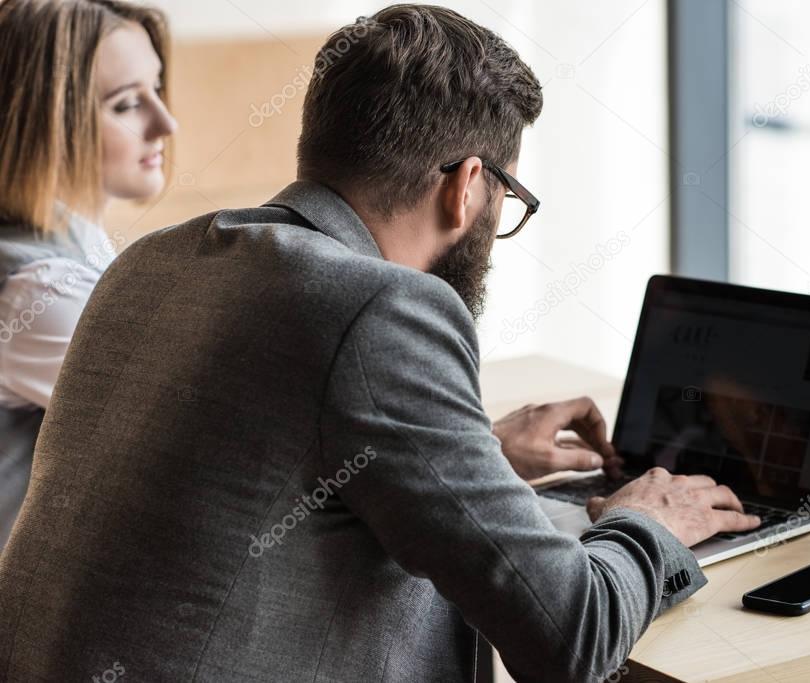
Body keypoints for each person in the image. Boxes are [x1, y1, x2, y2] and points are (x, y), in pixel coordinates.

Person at [0, 4, 759, 681]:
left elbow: (276, 463)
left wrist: (477, 455)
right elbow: (570, 638)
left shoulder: (150, 257)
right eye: (509, 198)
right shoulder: (384, 306)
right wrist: (649, 523)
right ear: (466, 186)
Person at [0, 0, 177, 548]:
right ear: (45, 123)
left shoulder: (74, 236)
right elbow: (191, 420)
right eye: (127, 104)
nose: (165, 122)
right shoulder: (36, 287)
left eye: (157, 86)